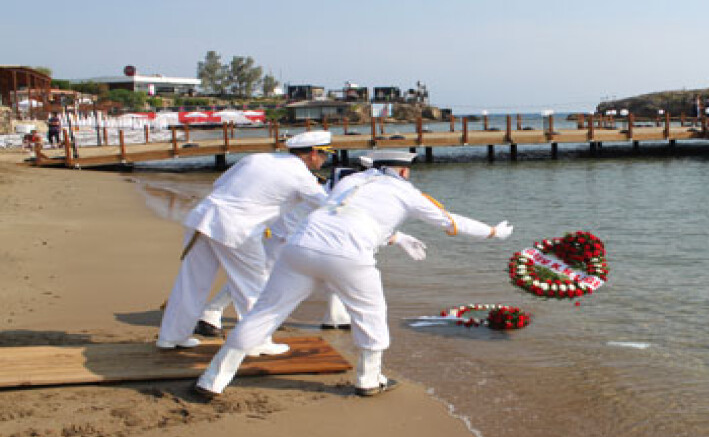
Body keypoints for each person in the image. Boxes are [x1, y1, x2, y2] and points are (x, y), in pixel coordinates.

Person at [195, 150, 514, 398]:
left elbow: (347, 214)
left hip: (300, 245)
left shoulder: (350, 181)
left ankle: (212, 380)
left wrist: (396, 237)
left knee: (263, 313)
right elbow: (450, 222)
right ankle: (369, 380)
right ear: (403, 171)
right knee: (370, 313)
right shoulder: (407, 192)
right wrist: (491, 232)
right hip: (348, 255)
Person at [156, 131, 333, 353]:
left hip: (204, 217)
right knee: (254, 286)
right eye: (325, 155)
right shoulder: (302, 177)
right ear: (314, 153)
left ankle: (171, 337)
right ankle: (256, 342)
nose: (325, 160)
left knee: (191, 282)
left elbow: (220, 183)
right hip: (238, 229)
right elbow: (329, 207)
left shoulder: (256, 158)